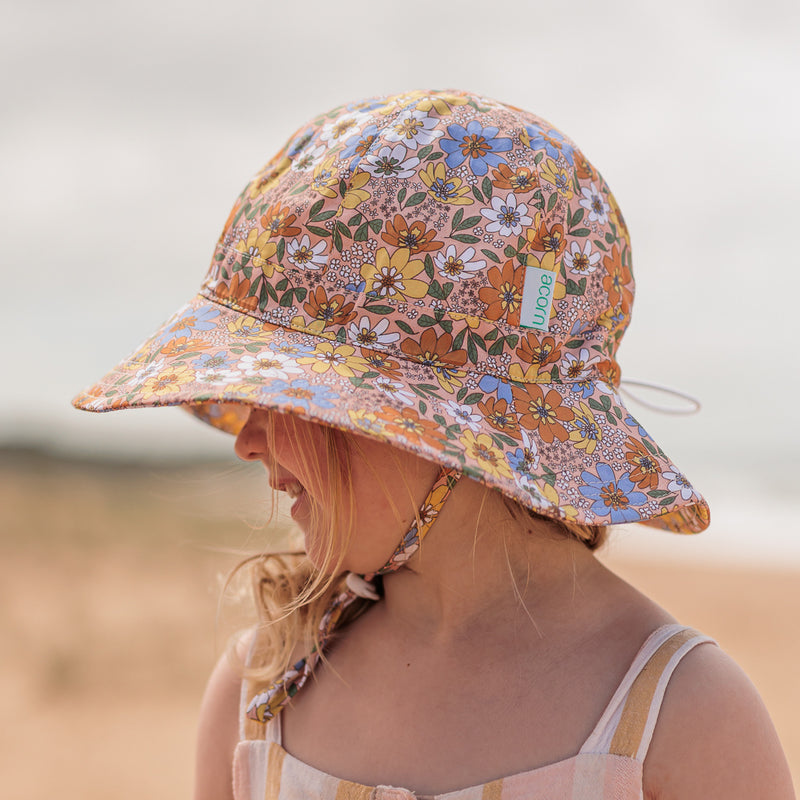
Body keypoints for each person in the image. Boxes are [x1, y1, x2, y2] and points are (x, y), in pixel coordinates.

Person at [73, 89, 795, 799]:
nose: (248, 438)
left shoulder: (679, 718)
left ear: (443, 434)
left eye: (286, 395)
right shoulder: (262, 692)